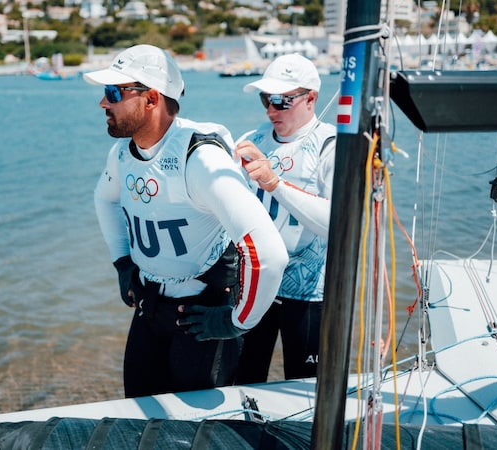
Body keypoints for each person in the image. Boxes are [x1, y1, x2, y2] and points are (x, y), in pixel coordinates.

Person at [84, 44, 288, 398]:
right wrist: (122, 263)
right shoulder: (123, 152)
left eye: (114, 93)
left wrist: (237, 322)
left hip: (202, 313)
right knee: (138, 413)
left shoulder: (201, 159)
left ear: (151, 99)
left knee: (197, 427)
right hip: (150, 306)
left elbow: (269, 253)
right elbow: (105, 199)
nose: (104, 103)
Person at [232, 53, 337, 384]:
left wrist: (275, 183)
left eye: (281, 101)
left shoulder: (330, 145)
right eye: (266, 99)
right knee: (242, 381)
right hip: (257, 281)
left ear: (311, 98)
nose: (270, 110)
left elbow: (336, 225)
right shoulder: (254, 138)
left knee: (305, 387)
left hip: (308, 293)